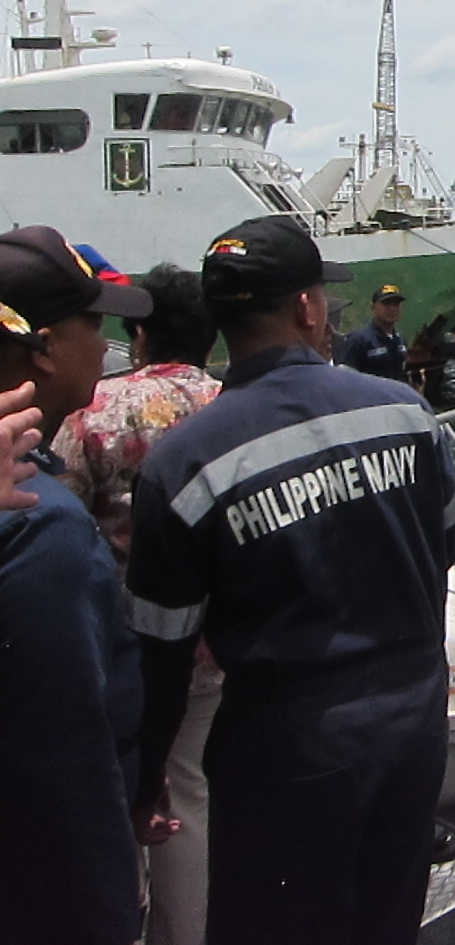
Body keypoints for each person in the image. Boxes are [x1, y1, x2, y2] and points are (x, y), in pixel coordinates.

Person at [126, 216, 455, 945]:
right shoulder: (407, 413)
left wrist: (147, 773)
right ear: (309, 309)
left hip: (285, 747)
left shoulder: (182, 465)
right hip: (412, 725)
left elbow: (162, 651)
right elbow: (446, 542)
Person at [51, 263, 221, 945]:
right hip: (215, 646)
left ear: (141, 336)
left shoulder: (98, 416)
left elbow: (58, 514)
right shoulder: (231, 405)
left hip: (118, 647)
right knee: (190, 797)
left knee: (118, 798)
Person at [0, 225, 153, 945]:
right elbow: (62, 773)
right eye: (94, 323)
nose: (105, 344)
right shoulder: (41, 526)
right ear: (44, 347)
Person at [338, 283, 411, 383]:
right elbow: (344, 378)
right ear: (373, 307)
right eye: (386, 303)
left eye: (396, 304)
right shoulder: (359, 340)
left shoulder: (400, 340)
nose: (392, 308)